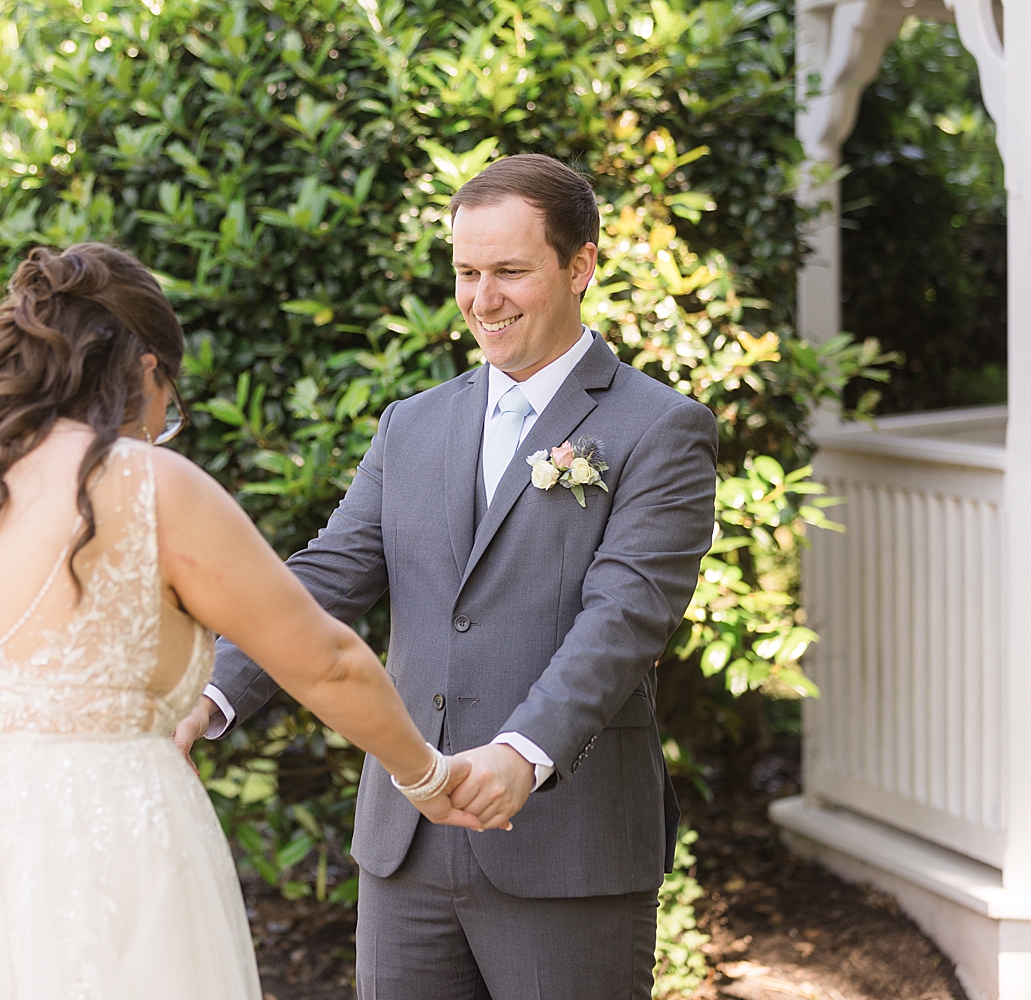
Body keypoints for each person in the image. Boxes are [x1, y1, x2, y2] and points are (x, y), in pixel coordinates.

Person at [0, 242, 479, 1000]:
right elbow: (325, 660)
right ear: (145, 368)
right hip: (93, 842)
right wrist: (426, 774)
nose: (164, 421)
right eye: (171, 398)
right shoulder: (146, 484)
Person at [175, 154, 719, 999]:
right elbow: (325, 578)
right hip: (407, 845)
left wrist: (521, 755)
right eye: (467, 272)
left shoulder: (661, 429)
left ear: (581, 266)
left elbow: (624, 622)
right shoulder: (412, 424)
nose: (482, 299)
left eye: (510, 271)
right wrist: (210, 696)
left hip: (564, 842)